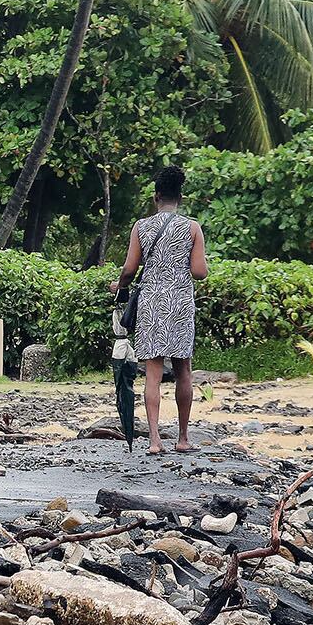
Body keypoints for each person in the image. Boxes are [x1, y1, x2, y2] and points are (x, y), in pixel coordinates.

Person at [119, 163, 209, 453]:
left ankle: (155, 439)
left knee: (153, 374)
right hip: (180, 301)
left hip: (151, 302)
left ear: (156, 197)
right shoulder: (192, 228)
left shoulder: (141, 227)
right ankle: (183, 439)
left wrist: (118, 285)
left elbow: (130, 268)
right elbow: (199, 272)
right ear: (179, 199)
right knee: (183, 370)